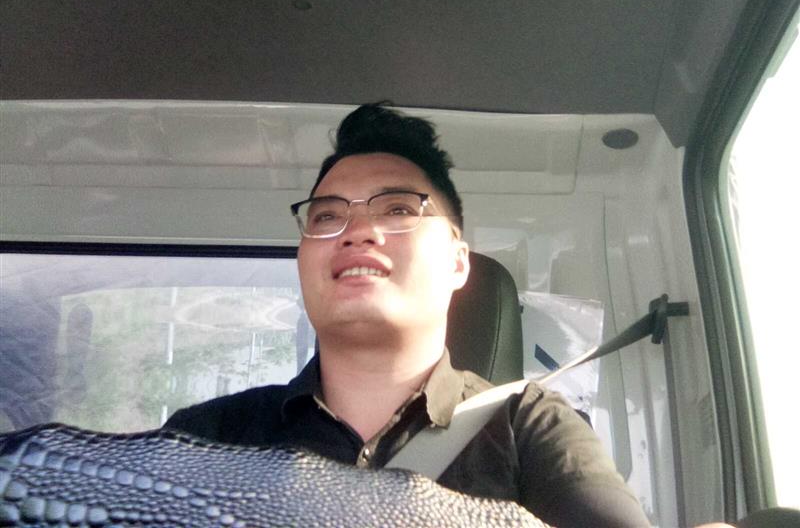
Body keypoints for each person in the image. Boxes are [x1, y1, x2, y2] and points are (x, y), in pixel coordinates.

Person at [164, 104, 718, 527]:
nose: (357, 230)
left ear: (457, 262)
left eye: (398, 208)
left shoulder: (529, 427)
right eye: (327, 216)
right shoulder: (206, 439)